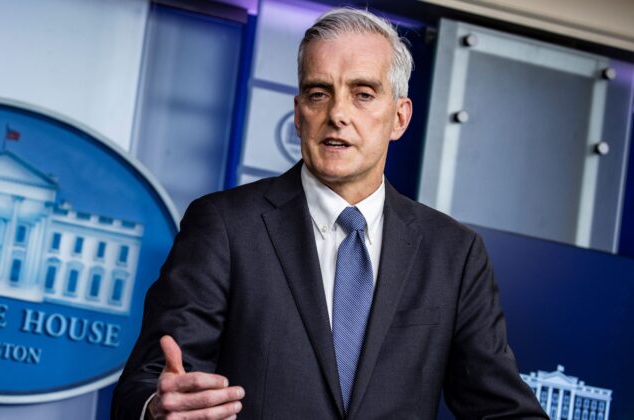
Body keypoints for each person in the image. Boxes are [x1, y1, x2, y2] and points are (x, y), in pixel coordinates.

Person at [112, 7, 547, 420]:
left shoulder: (454, 254)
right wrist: (156, 408)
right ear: (300, 115)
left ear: (399, 117)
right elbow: (149, 383)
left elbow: (501, 407)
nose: (338, 114)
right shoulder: (224, 226)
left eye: (363, 94)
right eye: (320, 94)